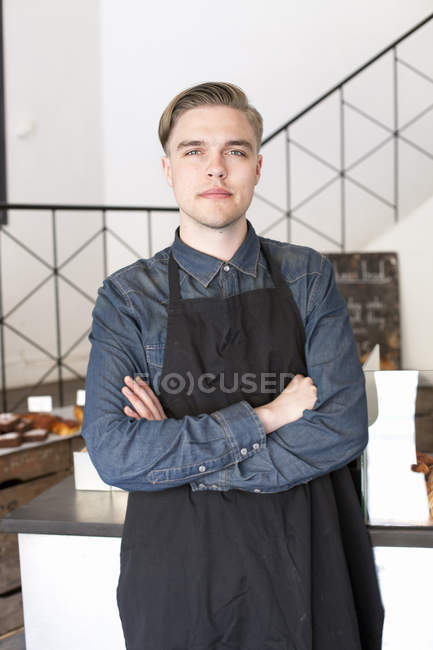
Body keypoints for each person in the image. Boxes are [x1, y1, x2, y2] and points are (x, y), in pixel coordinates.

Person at [82, 82, 384, 650]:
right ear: (169, 169)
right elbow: (116, 452)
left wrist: (185, 461)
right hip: (180, 570)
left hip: (308, 555)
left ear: (258, 167)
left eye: (235, 151)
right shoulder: (127, 297)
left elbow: (342, 426)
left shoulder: (307, 276)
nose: (215, 168)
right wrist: (267, 417)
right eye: (194, 151)